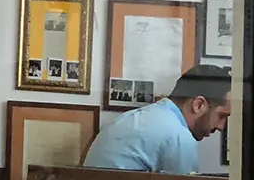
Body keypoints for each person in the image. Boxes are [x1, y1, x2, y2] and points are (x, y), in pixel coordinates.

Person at [83, 64, 231, 174]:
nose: (221, 127)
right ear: (199, 105)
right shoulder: (178, 136)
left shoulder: (131, 117)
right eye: (221, 116)